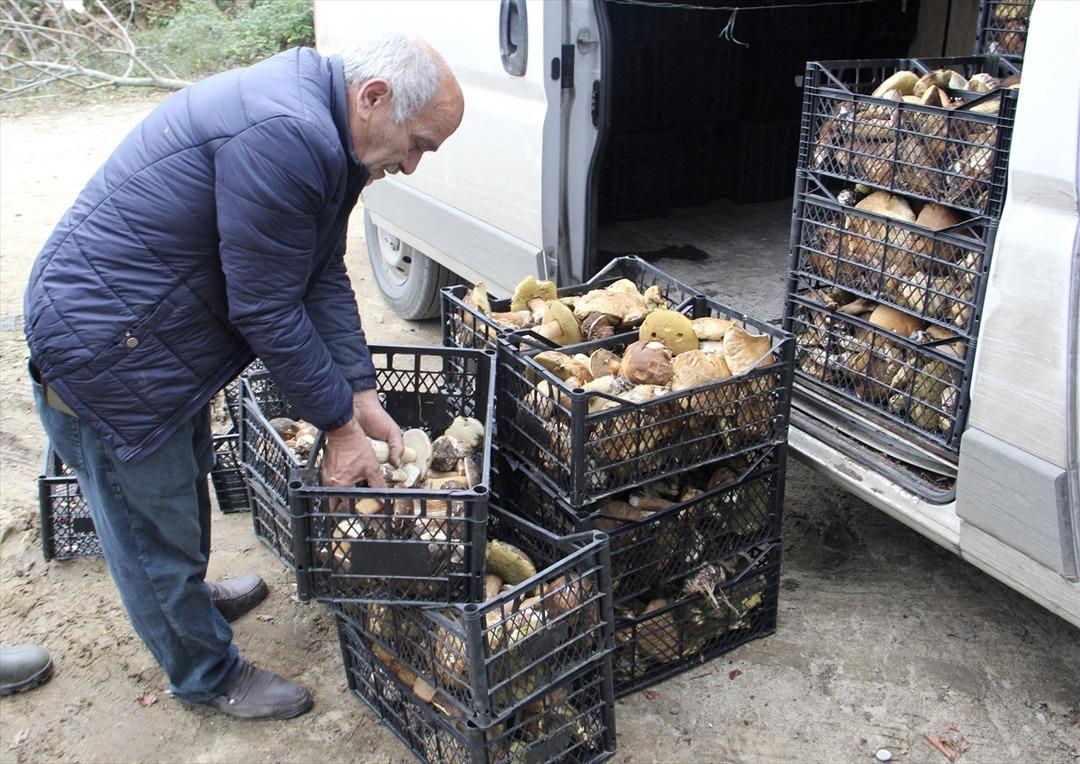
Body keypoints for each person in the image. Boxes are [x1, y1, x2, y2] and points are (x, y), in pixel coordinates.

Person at [22, 35, 465, 720]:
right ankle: (206, 675)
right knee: (150, 528)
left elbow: (318, 271)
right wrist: (339, 429)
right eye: (418, 144)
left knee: (185, 478)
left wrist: (360, 390)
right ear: (374, 98)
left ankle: (190, 602)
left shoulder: (330, 131)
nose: (411, 165)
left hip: (156, 334)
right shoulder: (288, 133)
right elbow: (265, 307)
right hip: (107, 350)